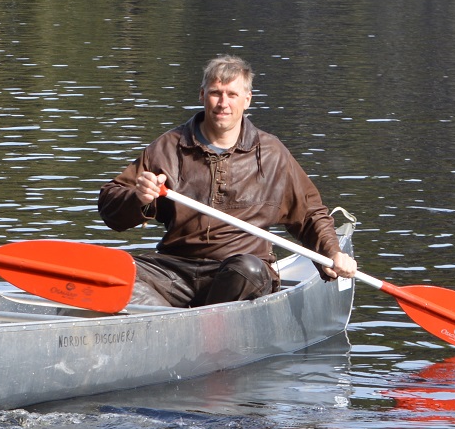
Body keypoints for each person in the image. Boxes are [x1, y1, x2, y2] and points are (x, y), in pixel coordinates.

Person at [99, 54, 358, 308]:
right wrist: (139, 199)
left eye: (232, 95)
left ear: (247, 100)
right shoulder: (167, 147)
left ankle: (201, 327)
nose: (223, 103)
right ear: (202, 95)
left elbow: (310, 213)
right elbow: (111, 207)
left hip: (242, 272)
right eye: (215, 93)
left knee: (249, 270)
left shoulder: (271, 153)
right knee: (118, 272)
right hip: (175, 269)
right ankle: (167, 321)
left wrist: (332, 253)